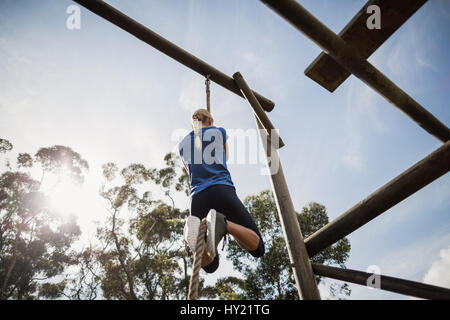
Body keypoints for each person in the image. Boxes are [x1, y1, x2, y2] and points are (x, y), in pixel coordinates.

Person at [179, 108, 265, 273]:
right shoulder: (219, 131)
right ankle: (223, 224)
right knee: (258, 248)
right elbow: (225, 157)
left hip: (197, 198)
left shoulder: (182, 144)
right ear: (210, 121)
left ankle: (192, 230)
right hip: (221, 189)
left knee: (210, 266)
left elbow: (188, 169)